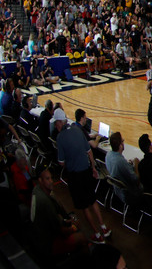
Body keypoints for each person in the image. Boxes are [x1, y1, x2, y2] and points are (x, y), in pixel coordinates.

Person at [56, 108, 110, 243]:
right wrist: (93, 168)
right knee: (92, 200)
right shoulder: (78, 131)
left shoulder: (60, 137)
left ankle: (97, 235)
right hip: (86, 171)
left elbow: (61, 162)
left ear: (59, 123)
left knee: (84, 206)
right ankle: (103, 227)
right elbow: (89, 152)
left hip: (75, 176)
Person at [30, 165, 88, 257]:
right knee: (82, 237)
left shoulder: (36, 190)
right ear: (40, 180)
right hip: (48, 243)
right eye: (47, 179)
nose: (51, 181)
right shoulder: (46, 203)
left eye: (51, 178)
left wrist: (66, 221)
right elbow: (62, 232)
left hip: (39, 235)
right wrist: (73, 227)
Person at [104, 131, 142, 206]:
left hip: (117, 190)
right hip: (129, 194)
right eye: (122, 141)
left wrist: (128, 164)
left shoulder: (108, 155)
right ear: (120, 146)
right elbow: (136, 179)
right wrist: (136, 163)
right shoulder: (120, 161)